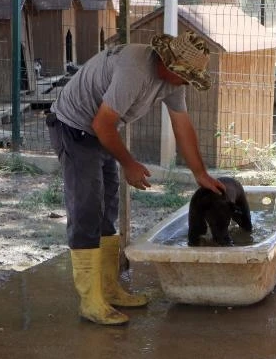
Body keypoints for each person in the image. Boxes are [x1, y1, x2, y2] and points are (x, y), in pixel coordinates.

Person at [46, 30, 226, 324]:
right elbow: (102, 124)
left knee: (108, 208)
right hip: (74, 127)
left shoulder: (174, 81)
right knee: (87, 209)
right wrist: (129, 163)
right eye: (186, 77)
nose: (186, 84)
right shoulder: (135, 71)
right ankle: (91, 301)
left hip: (99, 131)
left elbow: (182, 125)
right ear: (170, 65)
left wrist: (200, 173)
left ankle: (108, 289)